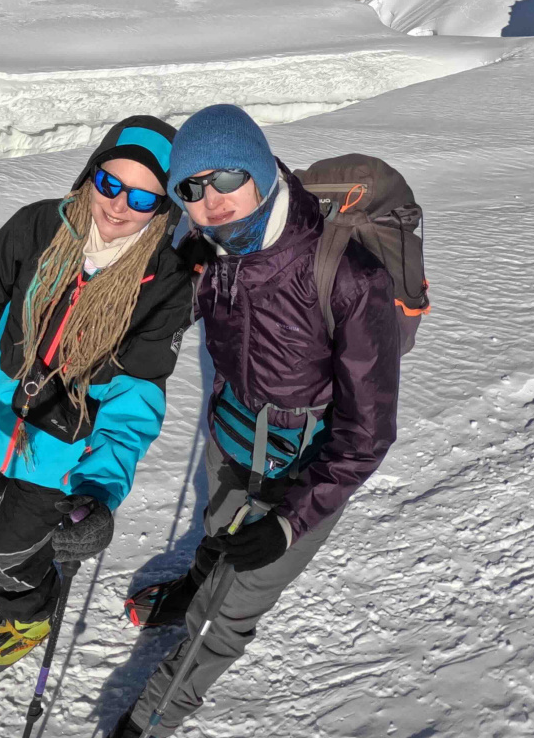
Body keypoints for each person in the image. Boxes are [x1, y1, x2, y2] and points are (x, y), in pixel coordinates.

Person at [111, 104, 400, 737]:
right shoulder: (208, 248)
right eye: (192, 187)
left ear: (264, 172)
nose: (210, 201)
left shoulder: (347, 276)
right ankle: (194, 585)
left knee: (232, 612)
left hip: (305, 468)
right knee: (216, 533)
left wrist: (291, 525)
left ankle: (153, 718)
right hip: (231, 437)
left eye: (226, 179)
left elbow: (367, 433)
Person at [0, 117, 197, 680]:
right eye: (110, 183)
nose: (118, 205)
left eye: (141, 195)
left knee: (14, 560)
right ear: (91, 174)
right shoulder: (37, 226)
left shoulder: (166, 282)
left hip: (58, 462)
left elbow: (135, 397)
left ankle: (28, 617)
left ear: (164, 205)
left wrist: (101, 488)